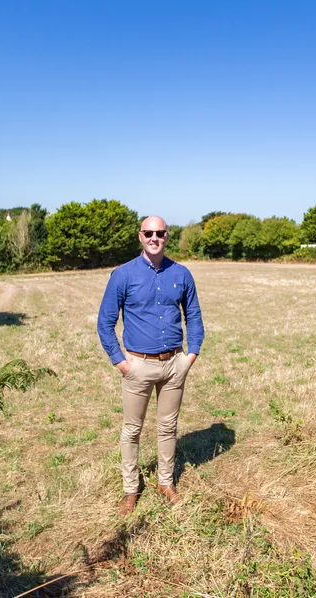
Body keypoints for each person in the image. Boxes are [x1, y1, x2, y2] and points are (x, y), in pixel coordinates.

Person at [97, 216, 204, 516]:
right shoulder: (122, 275)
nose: (154, 237)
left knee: (168, 427)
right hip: (137, 366)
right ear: (140, 236)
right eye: (148, 233)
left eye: (160, 232)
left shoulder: (181, 274)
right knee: (132, 430)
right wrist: (121, 362)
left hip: (173, 365)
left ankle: (165, 483)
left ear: (167, 236)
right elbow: (105, 323)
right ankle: (131, 489)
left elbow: (193, 316)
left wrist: (190, 356)